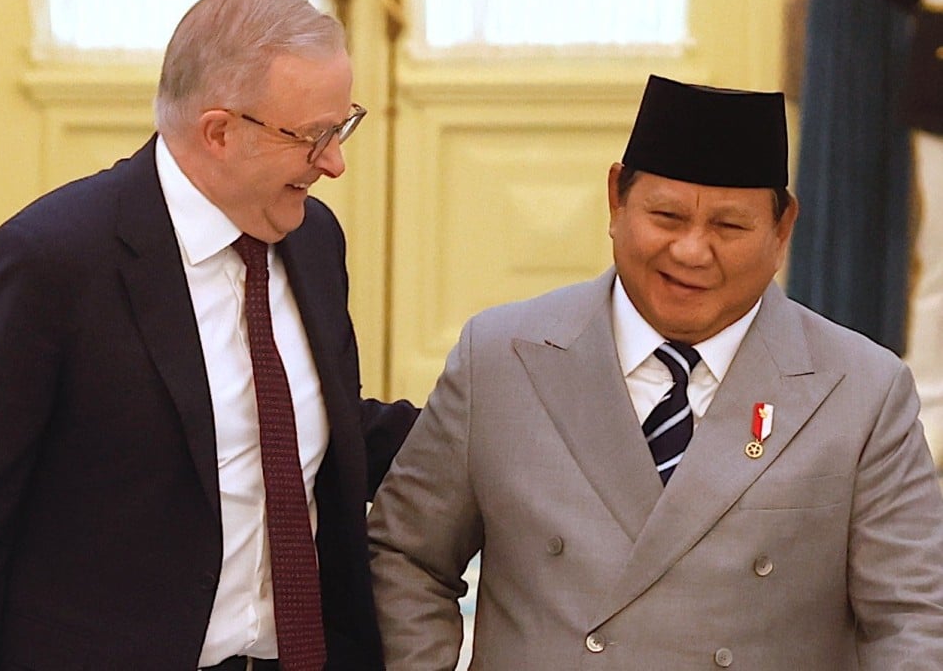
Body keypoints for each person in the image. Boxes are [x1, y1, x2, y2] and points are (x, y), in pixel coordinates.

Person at [368, 74, 943, 669]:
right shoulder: (499, 358)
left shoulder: (861, 390)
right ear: (616, 199)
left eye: (729, 227)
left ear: (782, 229)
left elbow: (914, 616)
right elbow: (407, 557)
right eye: (667, 216)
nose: (692, 251)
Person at [0, 0, 417, 669]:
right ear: (219, 132)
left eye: (342, 128)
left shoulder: (312, 240)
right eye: (313, 137)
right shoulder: (49, 264)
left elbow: (304, 427)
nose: (334, 164)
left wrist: (504, 421)